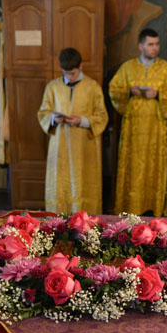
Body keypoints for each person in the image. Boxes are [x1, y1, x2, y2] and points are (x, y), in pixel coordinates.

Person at [109, 28, 167, 216]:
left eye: (157, 44)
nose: (154, 48)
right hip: (133, 128)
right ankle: (129, 207)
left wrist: (158, 94)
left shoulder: (166, 69)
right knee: (132, 167)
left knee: (154, 166)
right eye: (150, 44)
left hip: (155, 129)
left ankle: (153, 208)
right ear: (141, 46)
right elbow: (114, 90)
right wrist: (129, 91)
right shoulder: (128, 68)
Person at [37, 47, 108, 214]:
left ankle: (86, 222)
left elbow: (102, 116)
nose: (69, 77)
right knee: (60, 185)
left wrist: (82, 120)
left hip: (84, 147)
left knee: (84, 183)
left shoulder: (93, 87)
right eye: (66, 73)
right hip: (60, 146)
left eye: (73, 73)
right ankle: (58, 221)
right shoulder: (53, 87)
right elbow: (43, 113)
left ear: (81, 66)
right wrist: (54, 119)